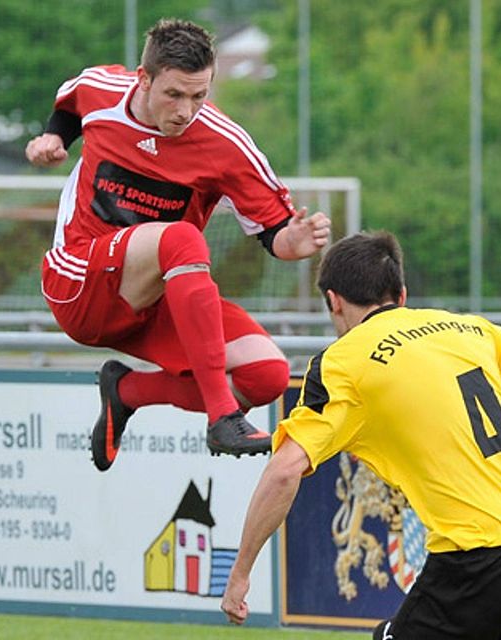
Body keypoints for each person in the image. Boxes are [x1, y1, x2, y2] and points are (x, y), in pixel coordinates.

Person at [221, 231, 501, 639]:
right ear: (401, 294)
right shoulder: (469, 329)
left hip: (480, 557)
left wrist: (241, 572)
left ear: (334, 301)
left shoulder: (342, 363)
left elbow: (284, 470)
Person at [26, 19, 330, 470]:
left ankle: (125, 391)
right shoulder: (102, 88)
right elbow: (70, 102)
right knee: (182, 238)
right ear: (143, 79)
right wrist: (53, 138)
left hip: (153, 301)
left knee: (266, 375)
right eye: (174, 95)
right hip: (80, 285)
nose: (187, 111)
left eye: (199, 96)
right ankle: (221, 415)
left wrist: (294, 242)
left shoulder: (226, 144)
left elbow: (274, 234)